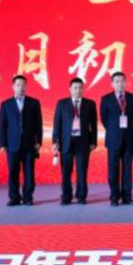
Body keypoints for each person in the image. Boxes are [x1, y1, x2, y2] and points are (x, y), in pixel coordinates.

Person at [0, 75, 43, 206]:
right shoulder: (6, 104)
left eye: (23, 85)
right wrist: (3, 144)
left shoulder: (34, 103)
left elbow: (38, 124)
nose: (21, 87)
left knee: (29, 172)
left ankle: (28, 197)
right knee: (13, 172)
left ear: (26, 87)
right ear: (13, 87)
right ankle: (14, 197)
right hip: (12, 144)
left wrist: (38, 141)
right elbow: (2, 126)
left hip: (29, 144)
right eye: (18, 85)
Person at [51, 77, 98, 205]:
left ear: (83, 89)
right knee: (66, 172)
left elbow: (93, 125)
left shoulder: (90, 104)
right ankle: (66, 196)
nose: (78, 90)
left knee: (82, 171)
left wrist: (93, 141)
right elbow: (57, 124)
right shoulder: (62, 104)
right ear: (70, 89)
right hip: (66, 142)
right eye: (75, 88)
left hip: (83, 142)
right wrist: (55, 141)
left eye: (80, 88)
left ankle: (81, 196)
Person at [99, 71, 133, 206]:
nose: (120, 84)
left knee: (127, 169)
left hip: (128, 138)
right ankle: (114, 197)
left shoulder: (132, 98)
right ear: (112, 84)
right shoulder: (106, 99)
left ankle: (127, 197)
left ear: (125, 83)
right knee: (113, 169)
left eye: (122, 81)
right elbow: (104, 119)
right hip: (113, 139)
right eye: (117, 81)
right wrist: (114, 130)